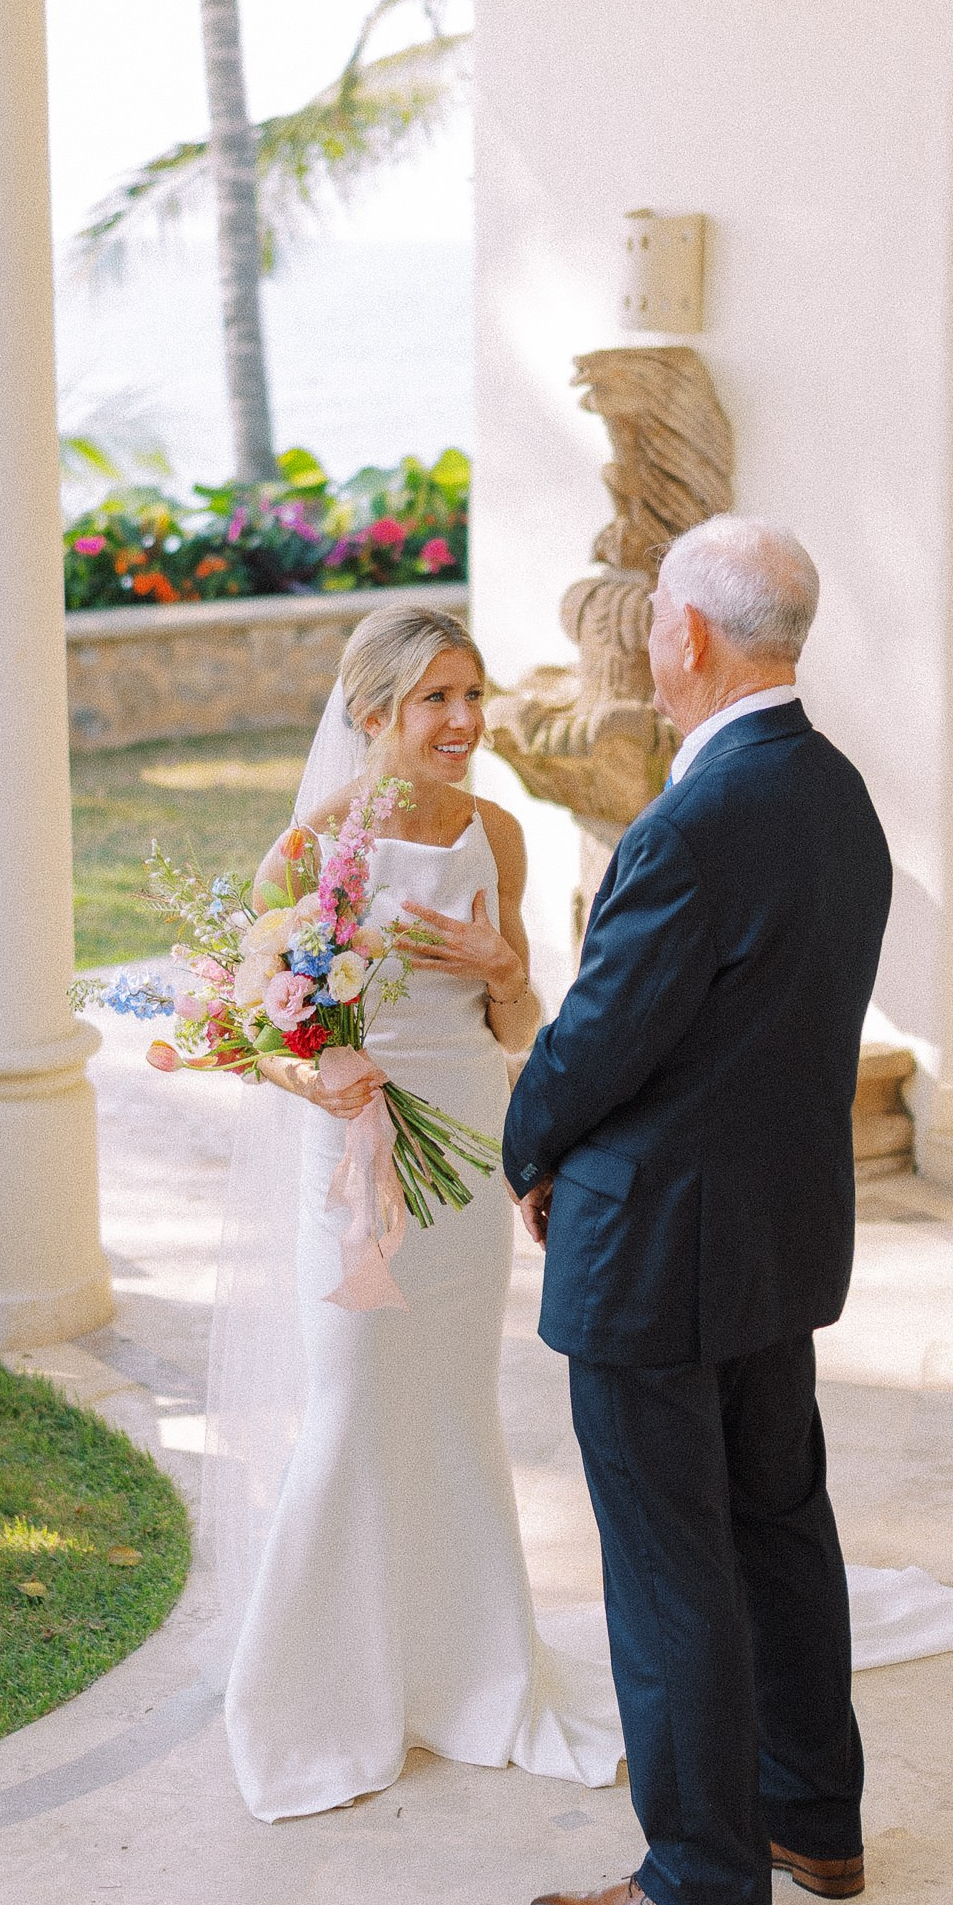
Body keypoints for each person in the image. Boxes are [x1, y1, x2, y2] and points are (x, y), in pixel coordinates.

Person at [506, 515, 893, 1905]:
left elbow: (603, 1036)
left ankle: (702, 1881)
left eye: (659, 611)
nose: (648, 633)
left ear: (693, 638)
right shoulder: (837, 796)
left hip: (658, 1251)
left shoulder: (695, 821)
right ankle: (814, 1820)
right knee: (780, 1529)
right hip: (771, 1245)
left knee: (672, 1561)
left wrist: (528, 1143)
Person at [205, 606, 623, 1822]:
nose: (461, 722)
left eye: (471, 695)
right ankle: (311, 1696)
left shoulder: (496, 833)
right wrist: (318, 1074)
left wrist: (504, 973)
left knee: (448, 1407)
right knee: (350, 1403)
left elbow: (518, 1027)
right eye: (434, 699)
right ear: (373, 713)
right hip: (356, 1165)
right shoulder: (312, 847)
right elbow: (250, 1028)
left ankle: (465, 1673)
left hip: (466, 1162)